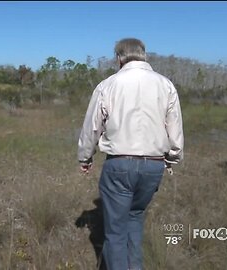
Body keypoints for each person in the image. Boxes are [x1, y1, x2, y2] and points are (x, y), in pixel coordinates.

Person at [77, 38, 184, 270]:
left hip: (119, 164)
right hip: (153, 166)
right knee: (135, 221)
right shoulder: (165, 85)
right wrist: (172, 158)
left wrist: (85, 157)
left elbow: (91, 127)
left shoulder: (108, 85)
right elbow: (174, 128)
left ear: (119, 58)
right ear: (144, 55)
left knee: (115, 232)